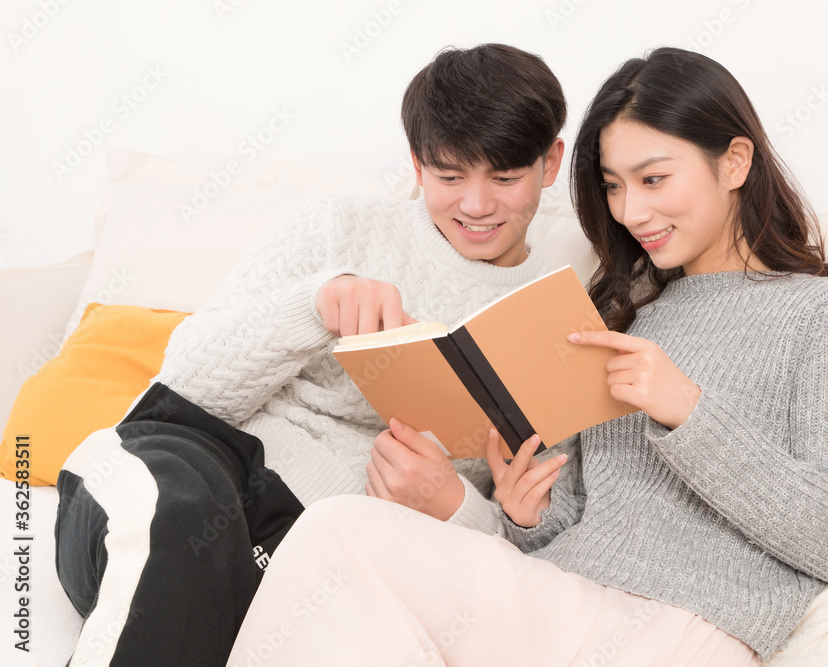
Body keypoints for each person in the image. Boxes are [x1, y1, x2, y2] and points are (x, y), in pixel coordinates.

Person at [223, 47, 828, 666]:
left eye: (654, 178)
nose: (632, 211)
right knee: (344, 566)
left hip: (681, 631)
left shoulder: (826, 313)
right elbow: (571, 523)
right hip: (563, 605)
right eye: (613, 186)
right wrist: (523, 514)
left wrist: (687, 411)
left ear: (736, 162)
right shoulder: (627, 317)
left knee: (342, 531)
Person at [54, 43, 570, 666]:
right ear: (415, 164)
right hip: (198, 469)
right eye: (450, 176)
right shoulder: (334, 229)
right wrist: (317, 306)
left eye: (506, 178)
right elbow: (187, 381)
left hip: (313, 565)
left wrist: (455, 506)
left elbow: (536, 564)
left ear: (550, 164)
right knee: (180, 523)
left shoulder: (557, 325)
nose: (477, 205)